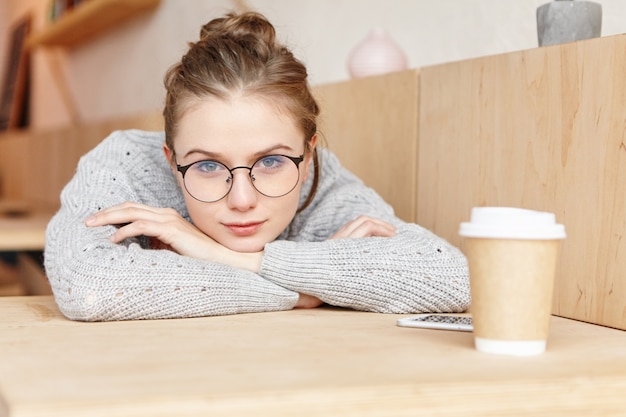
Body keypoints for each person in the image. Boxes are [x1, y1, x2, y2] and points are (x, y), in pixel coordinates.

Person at [44, 11, 470, 321]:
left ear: (308, 156)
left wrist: (233, 258)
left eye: (270, 161)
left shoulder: (322, 186)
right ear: (171, 160)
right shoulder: (126, 163)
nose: (242, 200)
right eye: (208, 166)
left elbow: (455, 280)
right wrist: (300, 291)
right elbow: (88, 285)